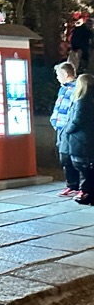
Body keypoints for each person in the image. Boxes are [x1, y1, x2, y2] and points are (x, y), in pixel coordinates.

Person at [62, 73, 94, 206]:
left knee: (82, 166)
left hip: (81, 140)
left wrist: (67, 129)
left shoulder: (82, 100)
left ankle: (87, 193)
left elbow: (77, 119)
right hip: (88, 139)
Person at [52, 62, 80, 197]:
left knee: (73, 158)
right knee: (64, 157)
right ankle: (71, 185)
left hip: (69, 129)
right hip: (60, 128)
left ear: (66, 74)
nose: (57, 78)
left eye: (59, 74)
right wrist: (54, 121)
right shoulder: (63, 89)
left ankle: (78, 186)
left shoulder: (77, 88)